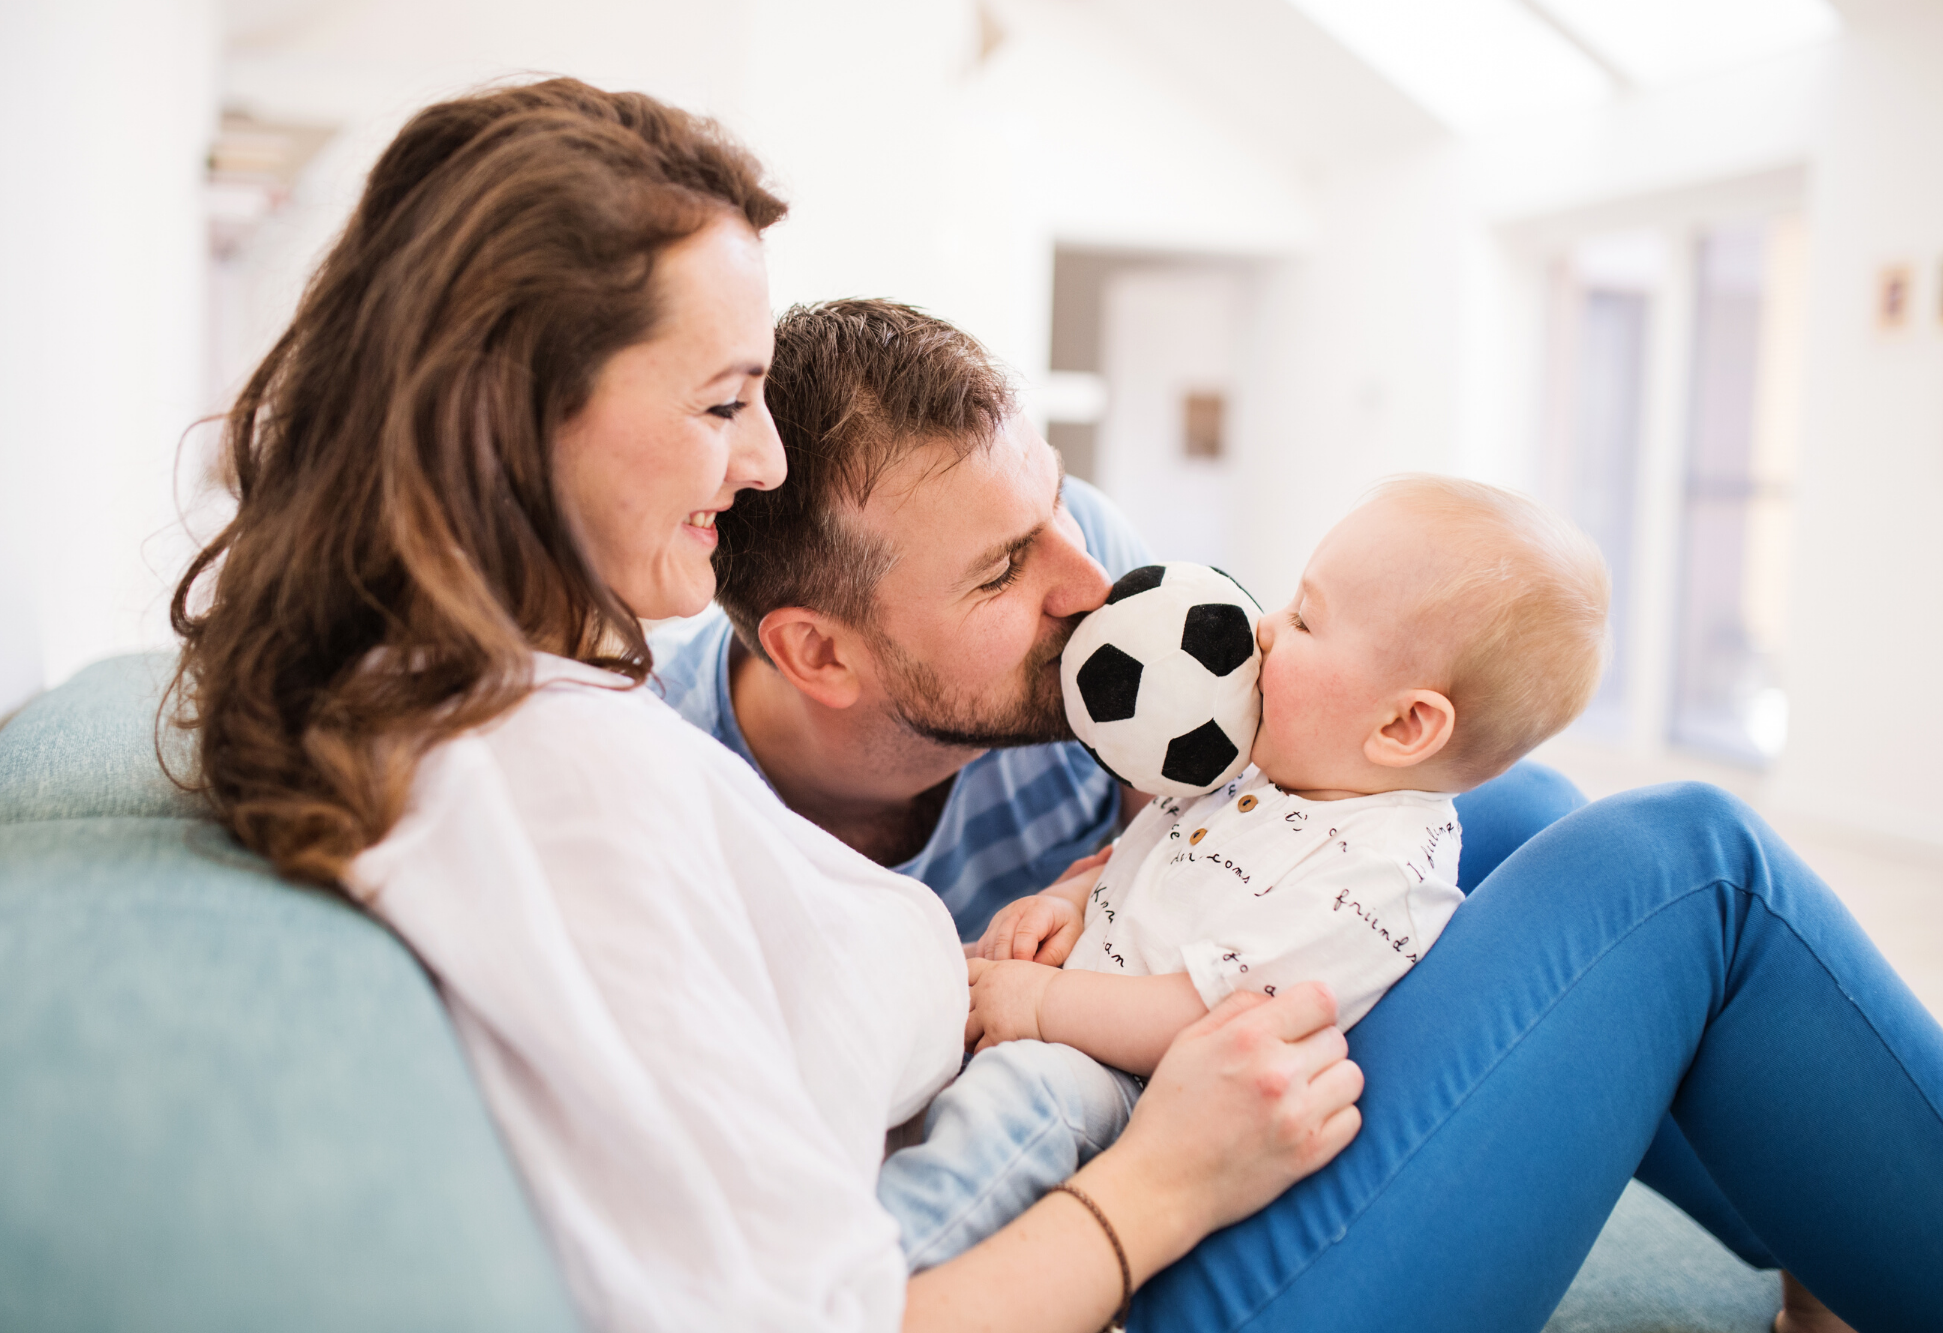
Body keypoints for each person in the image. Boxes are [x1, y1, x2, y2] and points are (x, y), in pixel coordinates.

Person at [166, 79, 1943, 1333]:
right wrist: (1157, 1166)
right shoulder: (555, 783)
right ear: (819, 657)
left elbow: (1311, 760)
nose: (1103, 591)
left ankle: (1835, 1227)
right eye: (719, 403)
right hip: (1130, 1220)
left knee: (1504, 820)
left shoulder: (540, 707)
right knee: (1689, 859)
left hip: (1124, 1098)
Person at [652, 298, 1580, 943]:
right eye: (1004, 568)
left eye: (1054, 501)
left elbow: (1207, 830)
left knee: (1535, 815)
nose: (1092, 582)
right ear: (818, 653)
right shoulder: (681, 808)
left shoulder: (1094, 558)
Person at [879, 475, 1607, 1268]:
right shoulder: (1266, 763)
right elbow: (1142, 857)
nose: (1264, 627)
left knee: (1015, 1105)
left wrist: (1044, 1001)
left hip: (1143, 1094)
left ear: (1403, 724)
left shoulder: (1376, 879)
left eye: (1305, 618)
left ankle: (883, 1276)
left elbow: (1203, 1013)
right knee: (909, 1035)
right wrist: (1069, 900)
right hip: (1071, 1014)